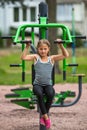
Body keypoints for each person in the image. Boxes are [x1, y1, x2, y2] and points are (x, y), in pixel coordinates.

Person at [21, 38, 69, 129]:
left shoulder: (52, 58)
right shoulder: (36, 57)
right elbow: (23, 57)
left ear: (48, 49)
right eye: (41, 49)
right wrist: (27, 47)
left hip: (47, 85)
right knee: (39, 94)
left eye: (45, 49)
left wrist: (61, 45)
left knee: (51, 94)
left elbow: (66, 55)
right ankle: (46, 117)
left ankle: (43, 116)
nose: (43, 51)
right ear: (38, 49)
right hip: (37, 84)